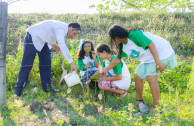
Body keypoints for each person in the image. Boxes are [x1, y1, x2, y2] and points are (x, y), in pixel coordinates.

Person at [102, 25, 178, 114]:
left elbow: (151, 45)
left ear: (117, 36)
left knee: (151, 78)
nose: (113, 41)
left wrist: (158, 63)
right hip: (150, 58)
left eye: (113, 39)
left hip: (162, 52)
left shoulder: (134, 34)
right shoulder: (123, 45)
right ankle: (139, 101)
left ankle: (156, 108)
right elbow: (117, 59)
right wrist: (105, 70)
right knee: (137, 76)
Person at [14, 20, 81, 96]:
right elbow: (62, 44)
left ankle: (47, 88)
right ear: (70, 27)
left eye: (75, 35)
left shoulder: (62, 29)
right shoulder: (61, 28)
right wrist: (71, 63)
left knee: (46, 64)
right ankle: (18, 90)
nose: (73, 36)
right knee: (27, 64)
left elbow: (48, 33)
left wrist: (54, 45)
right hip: (33, 37)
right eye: (74, 33)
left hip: (44, 41)